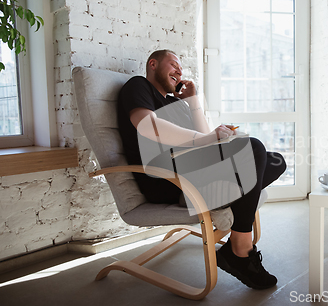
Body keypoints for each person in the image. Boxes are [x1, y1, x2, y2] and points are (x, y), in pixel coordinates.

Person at [117, 49, 287, 290]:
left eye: (181, 67)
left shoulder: (174, 102)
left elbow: (206, 137)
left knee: (275, 160)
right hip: (166, 179)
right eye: (173, 64)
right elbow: (146, 126)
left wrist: (193, 101)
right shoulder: (139, 86)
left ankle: (220, 200)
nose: (179, 70)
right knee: (253, 148)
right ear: (153, 64)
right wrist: (207, 139)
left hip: (190, 172)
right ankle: (239, 250)